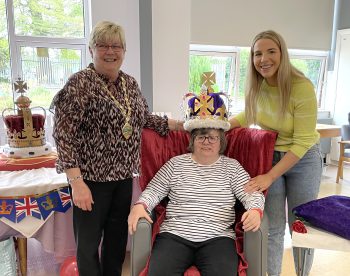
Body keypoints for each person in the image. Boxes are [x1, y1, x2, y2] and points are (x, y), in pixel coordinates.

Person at [50, 21, 181, 276]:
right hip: (89, 180)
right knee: (88, 246)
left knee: (117, 242)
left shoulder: (129, 84)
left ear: (124, 50)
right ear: (91, 50)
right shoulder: (79, 84)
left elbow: (145, 119)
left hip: (122, 178)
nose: (110, 51)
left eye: (117, 45)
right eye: (103, 45)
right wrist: (77, 183)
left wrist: (182, 125)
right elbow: (63, 135)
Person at [128, 89, 265, 276]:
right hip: (175, 235)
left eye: (212, 136)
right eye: (201, 136)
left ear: (221, 140)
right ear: (192, 139)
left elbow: (253, 193)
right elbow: (154, 190)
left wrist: (255, 210)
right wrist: (141, 204)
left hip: (218, 237)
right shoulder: (176, 164)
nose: (206, 141)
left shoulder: (232, 167)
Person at [229, 30, 322, 276]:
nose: (264, 59)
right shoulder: (257, 86)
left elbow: (302, 141)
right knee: (272, 228)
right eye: (257, 53)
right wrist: (220, 125)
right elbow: (248, 115)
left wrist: (269, 176)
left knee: (300, 227)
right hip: (271, 155)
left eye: (271, 51)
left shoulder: (301, 87)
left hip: (303, 160)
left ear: (282, 54)